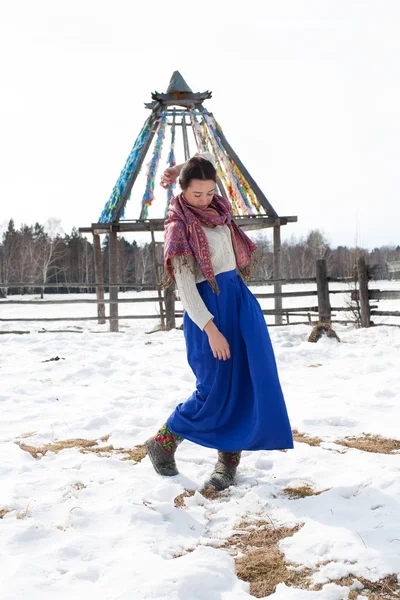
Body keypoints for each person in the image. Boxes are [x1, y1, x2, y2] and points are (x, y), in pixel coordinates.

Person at [144, 152, 293, 490]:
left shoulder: (218, 210)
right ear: (182, 191)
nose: (205, 199)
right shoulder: (178, 226)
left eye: (210, 191)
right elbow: (184, 286)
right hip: (207, 311)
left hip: (238, 303)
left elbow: (209, 158)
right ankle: (163, 441)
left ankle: (228, 462)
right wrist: (211, 330)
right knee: (212, 388)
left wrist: (185, 167)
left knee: (246, 381)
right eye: (197, 193)